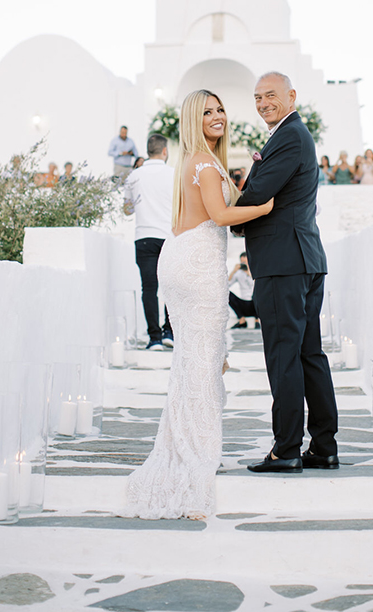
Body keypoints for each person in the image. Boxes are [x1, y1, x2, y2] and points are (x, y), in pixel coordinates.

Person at [122, 90, 272, 519]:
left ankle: (190, 442)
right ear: (193, 119)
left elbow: (214, 210)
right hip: (197, 264)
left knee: (195, 359)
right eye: (207, 111)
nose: (217, 116)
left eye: (221, 108)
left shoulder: (197, 161)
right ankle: (196, 452)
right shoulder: (205, 163)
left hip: (184, 257)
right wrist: (266, 205)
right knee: (204, 362)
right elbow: (222, 217)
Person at [237, 71, 338, 475]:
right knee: (308, 354)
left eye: (271, 95)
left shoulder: (290, 135)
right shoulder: (290, 134)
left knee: (284, 356)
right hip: (304, 259)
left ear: (291, 96)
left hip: (284, 262)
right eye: (258, 97)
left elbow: (260, 193)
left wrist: (233, 217)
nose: (263, 103)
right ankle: (324, 446)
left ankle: (287, 449)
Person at [123, 134, 175, 350]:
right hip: (169, 237)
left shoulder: (134, 176)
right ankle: (169, 333)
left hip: (144, 237)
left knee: (149, 288)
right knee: (171, 287)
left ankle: (153, 338)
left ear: (148, 150)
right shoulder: (174, 174)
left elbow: (127, 210)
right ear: (164, 151)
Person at [229, 252, 260, 329]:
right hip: (244, 303)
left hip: (254, 303)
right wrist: (233, 271)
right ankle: (242, 320)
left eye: (246, 262)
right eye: (243, 262)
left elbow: (258, 285)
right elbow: (227, 284)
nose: (245, 264)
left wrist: (249, 272)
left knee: (259, 293)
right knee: (227, 293)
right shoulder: (239, 273)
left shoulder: (255, 271)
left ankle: (257, 321)